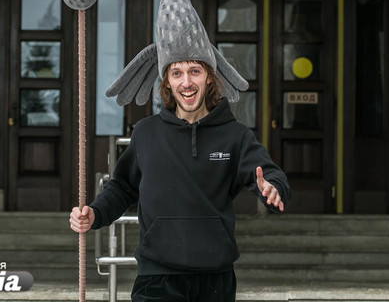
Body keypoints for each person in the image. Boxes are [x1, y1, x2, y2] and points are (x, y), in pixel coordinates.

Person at [69, 58, 291, 301]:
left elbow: (270, 174)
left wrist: (274, 188)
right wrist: (95, 212)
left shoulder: (235, 136)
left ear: (209, 77)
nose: (186, 82)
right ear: (167, 82)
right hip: (157, 277)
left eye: (194, 71)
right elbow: (122, 186)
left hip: (215, 278)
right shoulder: (145, 132)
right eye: (177, 73)